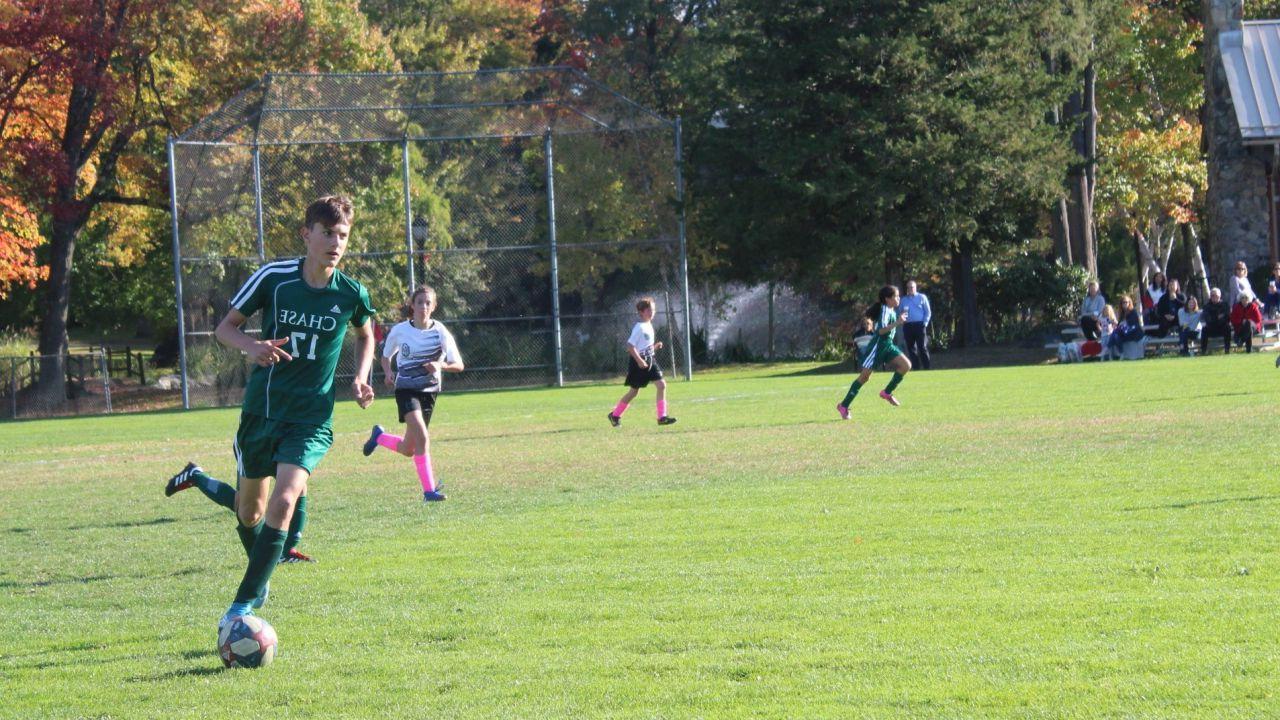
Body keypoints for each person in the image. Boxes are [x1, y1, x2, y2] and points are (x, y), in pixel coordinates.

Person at [167, 195, 376, 632]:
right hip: (261, 414)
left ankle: (242, 606)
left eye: (342, 236)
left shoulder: (351, 293)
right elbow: (226, 328)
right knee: (249, 514)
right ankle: (202, 479)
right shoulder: (275, 279)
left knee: (286, 498)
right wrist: (253, 347)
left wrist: (360, 376)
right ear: (307, 234)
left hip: (311, 419)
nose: (335, 243)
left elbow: (366, 335)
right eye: (327, 233)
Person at [363, 286, 463, 503]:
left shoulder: (440, 332)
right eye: (420, 302)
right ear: (412, 305)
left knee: (409, 448)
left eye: (428, 303)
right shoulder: (400, 330)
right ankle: (429, 491)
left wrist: (440, 365)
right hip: (406, 389)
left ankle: (379, 437)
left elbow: (459, 365)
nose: (424, 307)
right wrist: (388, 373)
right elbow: (386, 356)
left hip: (429, 392)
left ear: (434, 307)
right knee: (423, 438)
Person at [836, 285, 912, 419]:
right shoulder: (884, 310)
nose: (899, 298)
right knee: (864, 377)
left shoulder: (891, 310)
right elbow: (880, 331)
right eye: (896, 296)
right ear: (887, 299)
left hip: (887, 345)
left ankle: (887, 392)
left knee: (906, 366)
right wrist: (897, 323)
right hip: (877, 347)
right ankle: (843, 405)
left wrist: (898, 321)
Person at [608, 297, 676, 426]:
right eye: (649, 310)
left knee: (662, 385)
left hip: (650, 361)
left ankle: (662, 417)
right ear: (641, 312)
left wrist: (655, 347)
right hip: (638, 363)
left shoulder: (649, 326)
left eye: (653, 310)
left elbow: (645, 347)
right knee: (634, 392)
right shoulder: (639, 327)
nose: (652, 312)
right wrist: (639, 360)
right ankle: (615, 415)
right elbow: (630, 346)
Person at [897, 280, 932, 369]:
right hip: (908, 326)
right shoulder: (903, 300)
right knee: (911, 348)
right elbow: (899, 312)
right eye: (908, 287)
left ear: (915, 287)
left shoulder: (922, 297)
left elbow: (928, 312)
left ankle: (927, 368)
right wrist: (902, 319)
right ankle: (916, 368)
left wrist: (925, 323)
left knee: (922, 347)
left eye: (912, 287)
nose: (910, 289)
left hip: (920, 325)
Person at [1104, 295, 1145, 359]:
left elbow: (1132, 325)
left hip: (1133, 333)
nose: (1125, 304)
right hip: (1124, 333)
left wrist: (1122, 326)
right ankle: (1121, 353)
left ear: (1129, 303)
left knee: (1115, 333)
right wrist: (1116, 324)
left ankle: (1107, 349)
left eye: (1126, 302)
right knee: (1115, 335)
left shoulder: (1133, 312)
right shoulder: (1122, 314)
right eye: (1123, 302)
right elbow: (1119, 325)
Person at [1201, 287, 1232, 355]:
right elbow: (1208, 319)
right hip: (1211, 328)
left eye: (1216, 295)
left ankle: (1227, 350)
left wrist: (1215, 318)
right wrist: (1218, 317)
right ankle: (1203, 351)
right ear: (1210, 296)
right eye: (1212, 295)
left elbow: (1228, 317)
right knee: (1204, 330)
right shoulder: (1207, 306)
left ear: (1220, 296)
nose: (1214, 297)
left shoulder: (1225, 305)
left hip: (1222, 327)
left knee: (1227, 328)